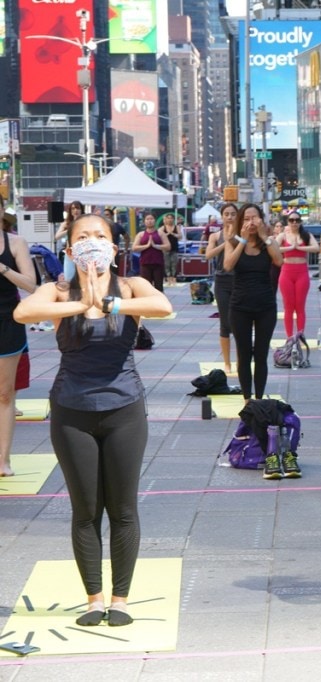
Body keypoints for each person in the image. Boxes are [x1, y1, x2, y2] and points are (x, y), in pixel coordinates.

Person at [14, 213, 172, 626]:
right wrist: (80, 304)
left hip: (124, 409)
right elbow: (23, 312)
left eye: (100, 236)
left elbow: (163, 306)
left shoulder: (131, 286)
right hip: (72, 411)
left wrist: (110, 303)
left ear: (114, 248)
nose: (92, 242)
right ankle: (94, 598)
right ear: (69, 249)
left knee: (122, 509)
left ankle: (120, 599)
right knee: (86, 510)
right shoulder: (58, 290)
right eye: (82, 237)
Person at [223, 203, 282, 402]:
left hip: (265, 305)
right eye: (246, 219)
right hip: (240, 306)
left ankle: (258, 397)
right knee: (244, 353)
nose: (251, 222)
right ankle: (247, 399)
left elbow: (279, 261)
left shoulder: (269, 242)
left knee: (261, 353)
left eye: (254, 218)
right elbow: (228, 265)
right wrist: (242, 240)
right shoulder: (233, 241)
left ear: (261, 220)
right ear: (241, 222)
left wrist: (265, 237)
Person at [0, 218, 37, 476]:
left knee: (4, 393)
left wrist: (3, 269)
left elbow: (31, 285)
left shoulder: (15, 242)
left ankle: (3, 459)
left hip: (7, 322)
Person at [203, 203, 237, 373]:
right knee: (225, 323)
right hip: (222, 281)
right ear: (222, 217)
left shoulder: (242, 235)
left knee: (240, 323)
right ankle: (227, 362)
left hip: (239, 281)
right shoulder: (216, 236)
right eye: (226, 214)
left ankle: (241, 359)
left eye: (233, 214)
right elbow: (208, 255)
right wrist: (226, 243)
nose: (230, 217)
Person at [278, 212, 319, 340]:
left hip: (302, 272)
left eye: (297, 220)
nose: (294, 222)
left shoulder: (306, 235)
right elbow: (273, 248)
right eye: (291, 220)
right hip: (287, 272)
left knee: (300, 306)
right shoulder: (283, 235)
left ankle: (300, 334)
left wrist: (300, 248)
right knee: (288, 306)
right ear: (288, 222)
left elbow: (316, 248)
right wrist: (290, 248)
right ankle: (289, 337)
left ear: (300, 221)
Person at [131, 212, 169, 292]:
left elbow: (168, 246)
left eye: (151, 219)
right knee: (146, 286)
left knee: (158, 286)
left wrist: (156, 246)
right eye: (147, 219)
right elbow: (134, 248)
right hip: (145, 264)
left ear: (155, 221)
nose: (149, 221)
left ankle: (159, 302)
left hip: (158, 263)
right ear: (144, 221)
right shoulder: (141, 234)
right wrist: (147, 246)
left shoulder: (160, 233)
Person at [159, 213, 181, 287]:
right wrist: (167, 234)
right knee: (166, 264)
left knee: (174, 264)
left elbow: (180, 236)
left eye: (171, 218)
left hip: (174, 248)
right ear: (166, 219)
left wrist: (173, 234)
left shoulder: (176, 227)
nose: (170, 219)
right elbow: (159, 236)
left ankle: (174, 279)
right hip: (165, 249)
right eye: (168, 218)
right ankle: (168, 279)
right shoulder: (163, 228)